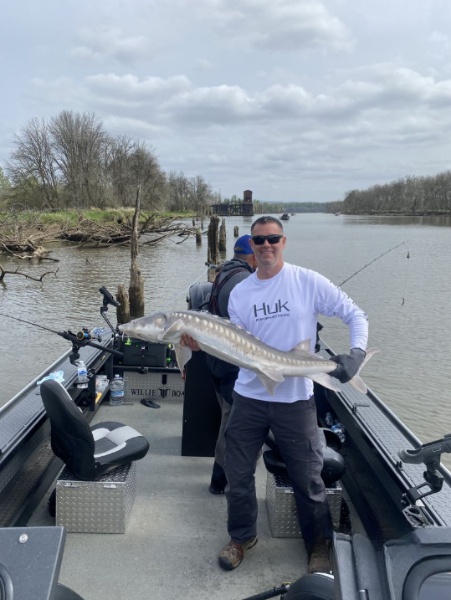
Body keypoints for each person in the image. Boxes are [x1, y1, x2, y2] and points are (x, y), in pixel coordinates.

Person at [218, 215, 368, 574]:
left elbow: (354, 313)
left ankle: (318, 547)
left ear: (284, 241)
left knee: (309, 478)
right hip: (250, 397)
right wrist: (197, 342)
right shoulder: (240, 293)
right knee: (236, 473)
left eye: (273, 239)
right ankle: (242, 537)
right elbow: (235, 345)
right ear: (250, 248)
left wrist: (357, 352)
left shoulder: (307, 281)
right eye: (259, 241)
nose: (266, 245)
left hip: (296, 399)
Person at [204, 235, 257, 494]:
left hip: (216, 361)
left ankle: (221, 476)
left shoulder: (223, 272)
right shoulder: (245, 280)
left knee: (227, 416)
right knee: (232, 425)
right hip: (231, 364)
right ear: (253, 256)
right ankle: (220, 481)